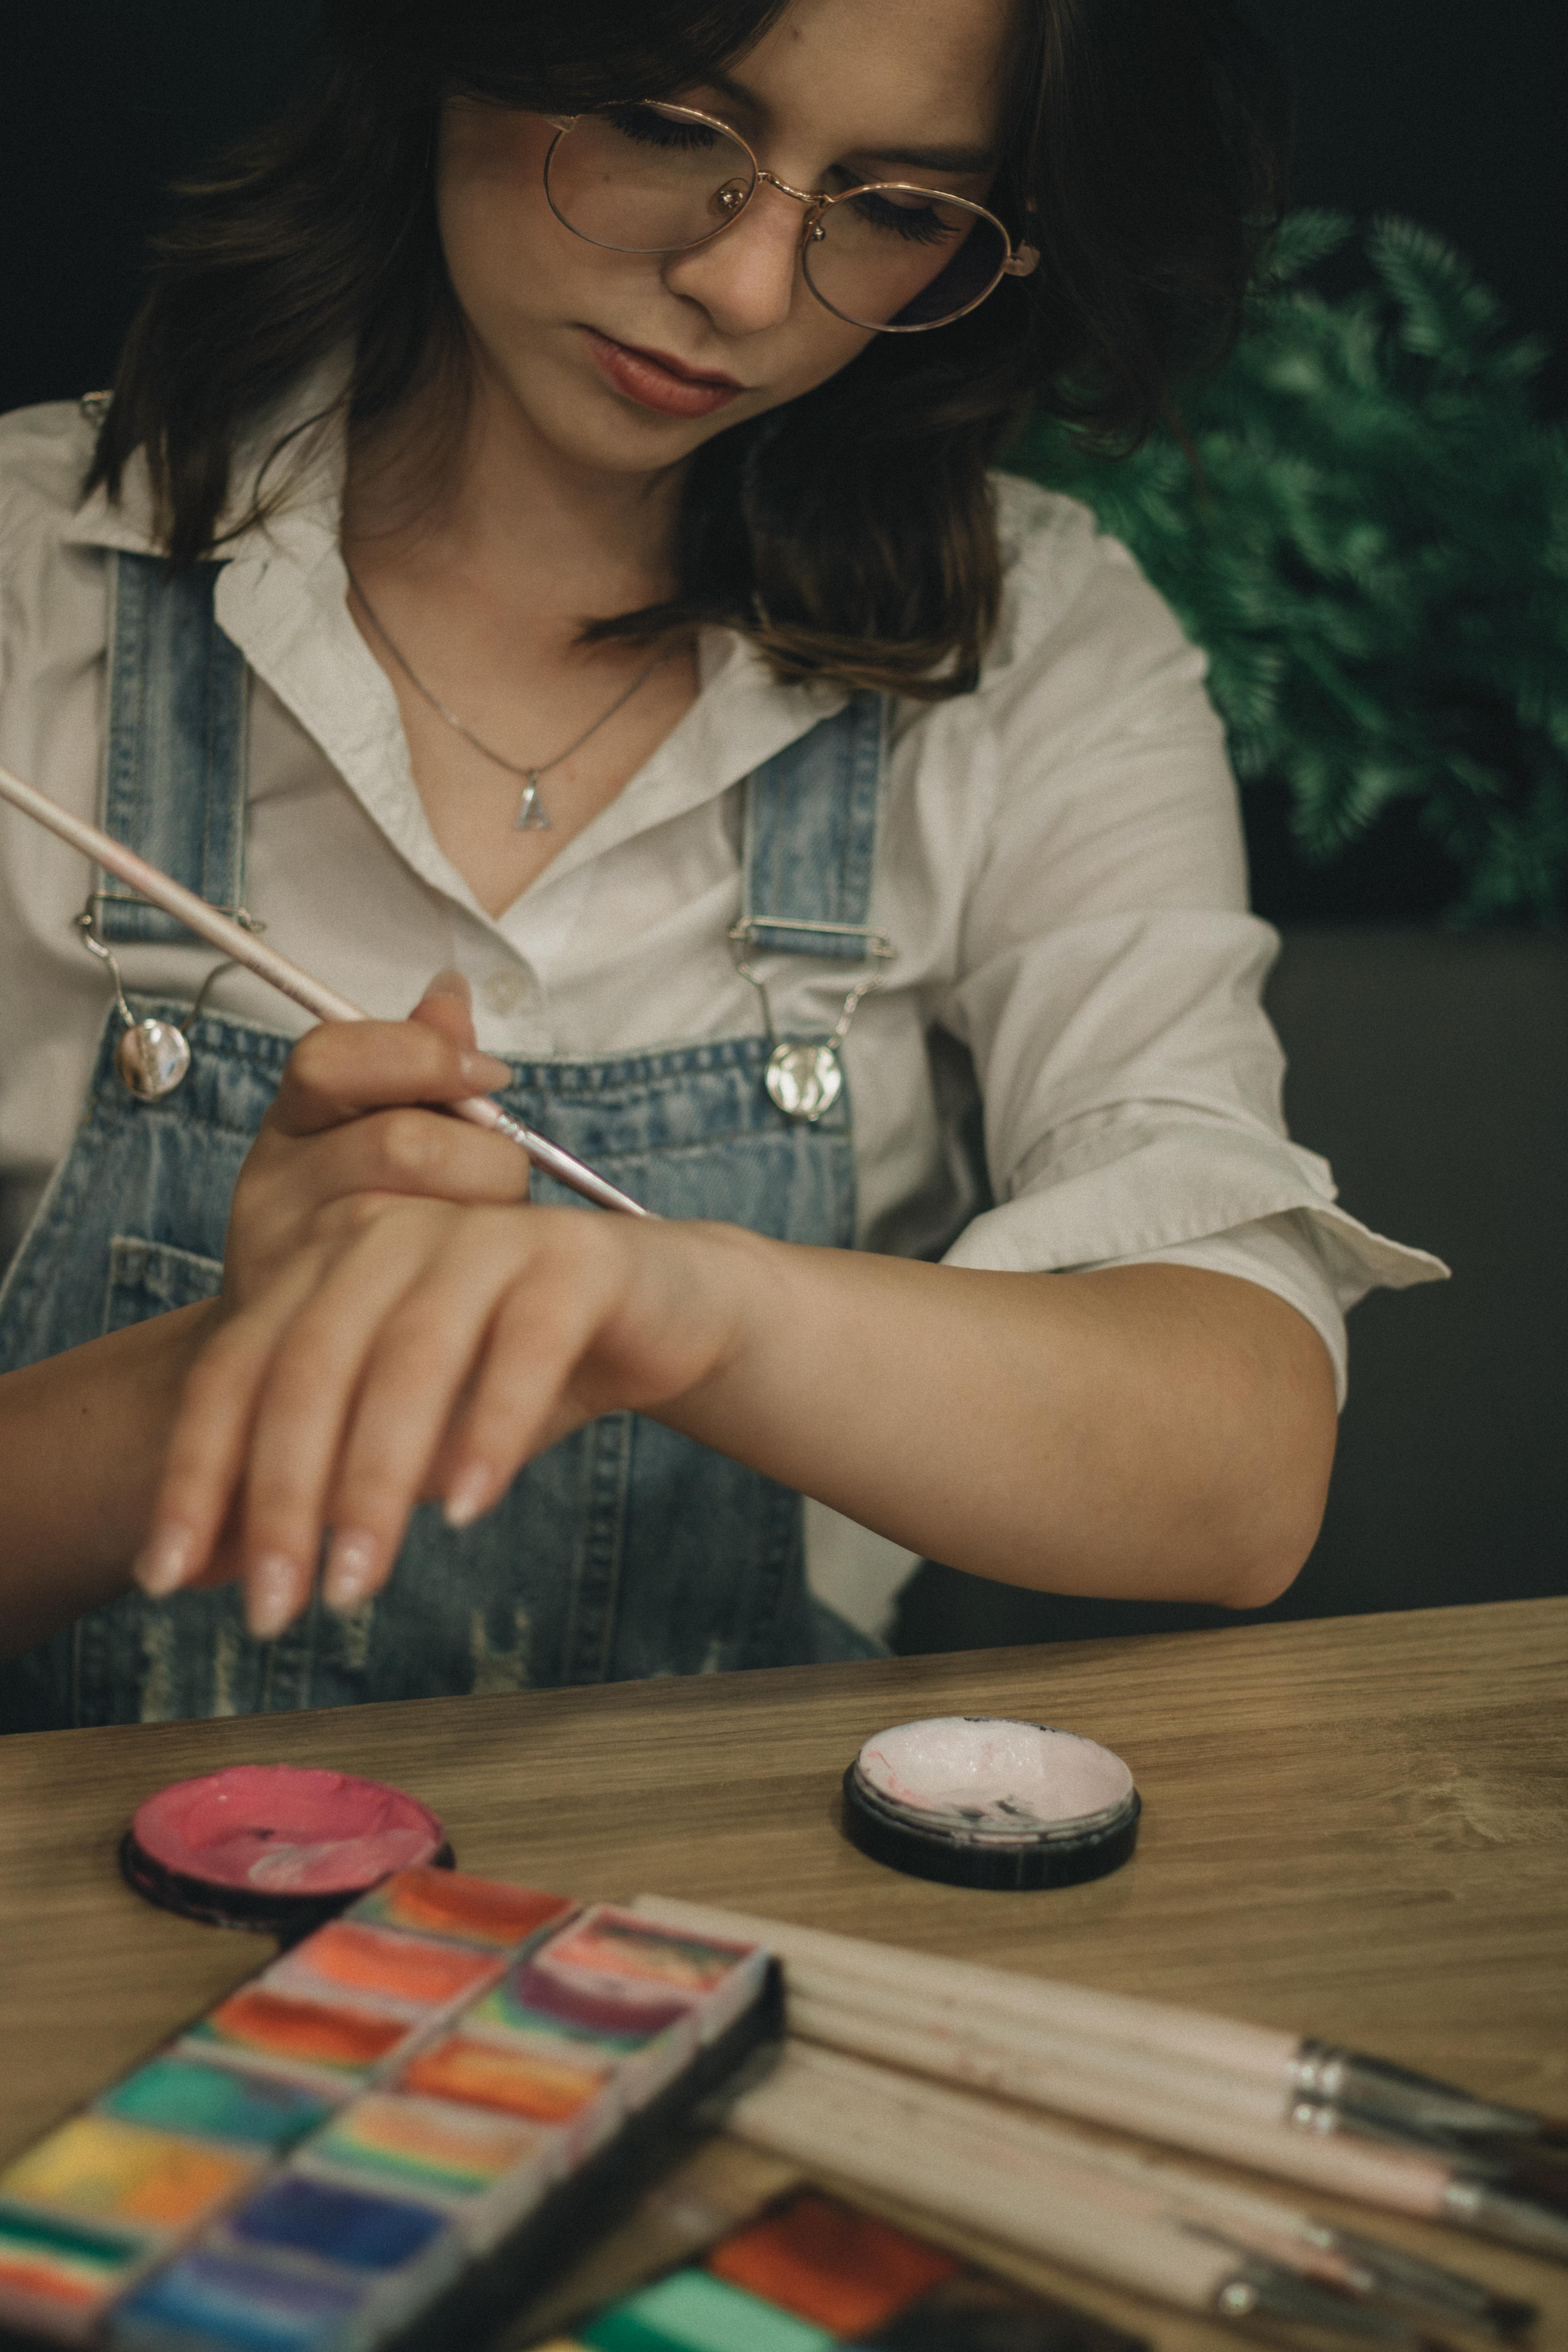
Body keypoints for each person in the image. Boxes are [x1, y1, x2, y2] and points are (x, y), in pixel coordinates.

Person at [0, 0, 1439, 1730]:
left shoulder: (1036, 652)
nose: (750, 289)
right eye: (672, 128)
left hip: (715, 1931)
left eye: (898, 207)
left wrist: (685, 1308)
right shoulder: (34, 591)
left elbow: (1241, 1473)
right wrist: (231, 1369)